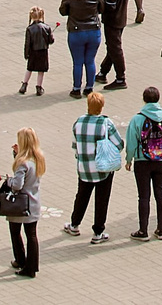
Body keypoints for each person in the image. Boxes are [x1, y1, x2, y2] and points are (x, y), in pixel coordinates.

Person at [65, 90, 123, 244]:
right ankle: (98, 232)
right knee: (102, 199)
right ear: (101, 106)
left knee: (82, 196)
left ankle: (74, 224)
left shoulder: (79, 122)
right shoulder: (106, 123)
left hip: (84, 167)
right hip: (103, 168)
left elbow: (74, 145)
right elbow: (119, 144)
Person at [125, 86, 162, 241]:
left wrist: (129, 160)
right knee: (161, 194)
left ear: (144, 99)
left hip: (142, 162)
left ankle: (143, 231)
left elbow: (131, 143)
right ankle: (161, 230)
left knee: (144, 197)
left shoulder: (137, 119)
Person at [0, 127, 45, 277]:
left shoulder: (22, 163)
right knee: (31, 235)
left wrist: (8, 180)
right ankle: (32, 266)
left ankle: (21, 260)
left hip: (20, 204)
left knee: (15, 231)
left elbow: (17, 184)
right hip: (34, 202)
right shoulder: (38, 158)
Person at [59, 0, 103, 99]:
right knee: (90, 61)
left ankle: (76, 89)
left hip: (76, 32)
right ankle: (89, 88)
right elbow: (102, 9)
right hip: (93, 30)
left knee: (77, 62)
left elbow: (62, 11)